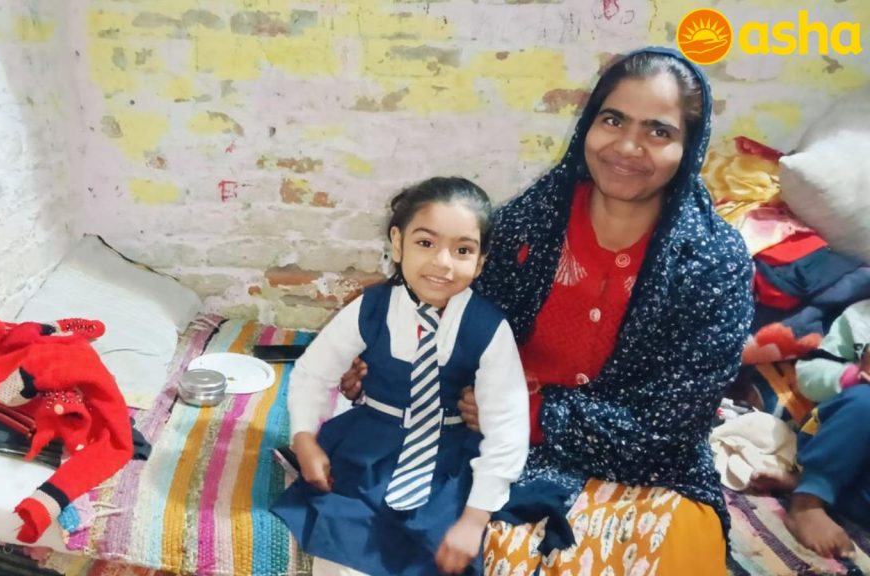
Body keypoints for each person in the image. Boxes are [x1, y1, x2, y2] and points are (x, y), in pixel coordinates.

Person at [341, 47, 753, 574]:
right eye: (613, 120)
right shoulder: (530, 224)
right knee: (427, 536)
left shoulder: (714, 261)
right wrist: (376, 357)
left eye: (658, 131)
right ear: (588, 125)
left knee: (669, 555)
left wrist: (531, 414)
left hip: (651, 470)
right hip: (497, 445)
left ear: (689, 147)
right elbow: (445, 311)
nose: (627, 146)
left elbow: (671, 428)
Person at [271, 177, 530, 576]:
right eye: (426, 243)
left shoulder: (489, 328)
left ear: (480, 262)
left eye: (462, 250)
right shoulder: (371, 308)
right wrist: (304, 438)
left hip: (447, 459)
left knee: (435, 551)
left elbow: (508, 426)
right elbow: (312, 373)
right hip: (369, 446)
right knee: (341, 540)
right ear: (398, 243)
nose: (443, 262)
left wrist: (475, 519)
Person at [750, 299, 870, 559]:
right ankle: (808, 501)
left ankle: (805, 484)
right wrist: (851, 376)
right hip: (837, 436)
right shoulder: (859, 320)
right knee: (865, 401)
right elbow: (810, 374)